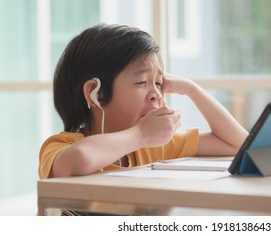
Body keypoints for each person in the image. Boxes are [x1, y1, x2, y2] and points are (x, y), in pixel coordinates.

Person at [38, 23, 248, 180]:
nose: (156, 93)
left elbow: (239, 145)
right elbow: (79, 159)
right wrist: (142, 134)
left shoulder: (151, 146)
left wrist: (192, 90)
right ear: (97, 93)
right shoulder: (60, 147)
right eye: (141, 82)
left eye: (158, 82)